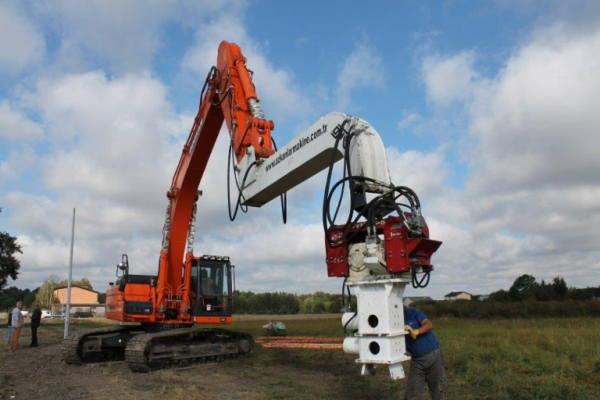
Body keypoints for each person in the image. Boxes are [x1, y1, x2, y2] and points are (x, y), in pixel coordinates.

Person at [403, 306, 447, 400]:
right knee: (411, 394)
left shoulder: (412, 312)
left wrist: (416, 331)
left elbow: (429, 325)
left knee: (438, 391)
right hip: (417, 361)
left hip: (434, 357)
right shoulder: (389, 321)